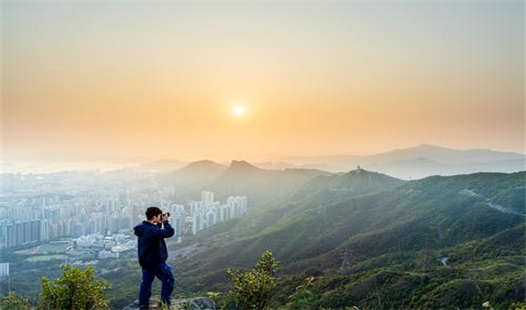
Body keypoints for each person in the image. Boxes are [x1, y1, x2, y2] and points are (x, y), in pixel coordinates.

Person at [134, 206, 175, 309]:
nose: (160, 217)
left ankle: (143, 304)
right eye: (159, 216)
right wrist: (165, 222)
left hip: (145, 261)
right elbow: (169, 232)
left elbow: (155, 231)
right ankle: (165, 304)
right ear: (154, 216)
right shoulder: (151, 230)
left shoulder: (142, 227)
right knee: (168, 279)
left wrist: (159, 222)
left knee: (146, 282)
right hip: (156, 262)